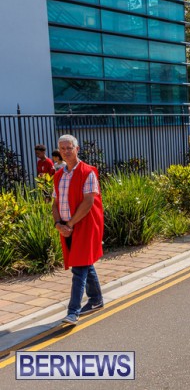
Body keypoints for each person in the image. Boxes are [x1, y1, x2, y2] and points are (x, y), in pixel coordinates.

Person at [51, 135, 105, 325]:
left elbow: (88, 202)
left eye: (69, 147)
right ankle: (96, 299)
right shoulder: (58, 175)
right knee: (83, 263)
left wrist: (70, 225)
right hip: (66, 226)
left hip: (83, 225)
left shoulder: (88, 172)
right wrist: (58, 224)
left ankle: (73, 311)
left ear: (77, 149)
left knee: (79, 268)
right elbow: (55, 203)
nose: (66, 151)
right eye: (62, 148)